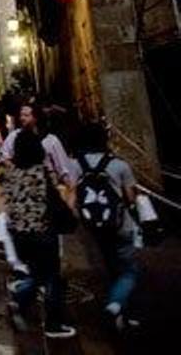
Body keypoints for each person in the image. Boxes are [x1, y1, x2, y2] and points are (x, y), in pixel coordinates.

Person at [2, 130, 76, 339]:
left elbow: (9, 203)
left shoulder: (10, 173)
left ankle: (20, 299)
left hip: (20, 235)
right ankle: (53, 323)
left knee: (38, 274)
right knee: (52, 277)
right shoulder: (40, 172)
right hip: (42, 233)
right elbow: (53, 203)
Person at [75, 122, 142, 333]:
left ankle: (123, 312)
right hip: (121, 224)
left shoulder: (77, 165)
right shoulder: (120, 165)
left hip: (96, 226)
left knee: (112, 267)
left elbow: (72, 192)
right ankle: (115, 305)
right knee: (130, 271)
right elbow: (131, 198)